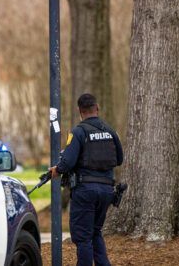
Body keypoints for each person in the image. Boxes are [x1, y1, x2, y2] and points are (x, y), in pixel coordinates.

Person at [49, 93, 123, 266]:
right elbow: (119, 159)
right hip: (106, 191)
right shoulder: (110, 131)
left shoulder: (78, 132)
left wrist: (56, 170)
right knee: (95, 232)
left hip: (85, 192)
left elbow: (67, 162)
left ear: (79, 111)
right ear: (97, 108)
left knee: (83, 237)